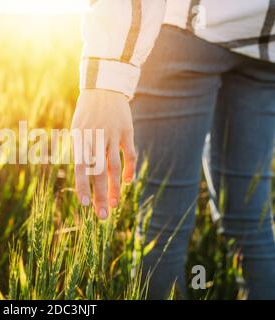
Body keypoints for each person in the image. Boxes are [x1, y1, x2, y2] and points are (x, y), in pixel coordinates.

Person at [71, 0, 275, 299]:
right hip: (266, 44)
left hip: (185, 27)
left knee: (163, 228)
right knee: (251, 223)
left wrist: (105, 77)